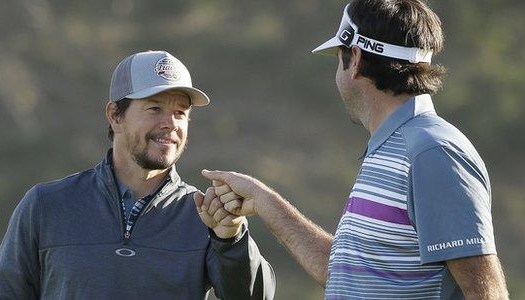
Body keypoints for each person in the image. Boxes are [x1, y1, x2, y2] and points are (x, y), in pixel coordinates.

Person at [199, 0, 509, 299]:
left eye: (339, 57)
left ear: (356, 59)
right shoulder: (395, 146)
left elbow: (486, 293)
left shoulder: (431, 152)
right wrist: (262, 200)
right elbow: (346, 273)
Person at [0, 50, 275, 300]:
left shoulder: (206, 216)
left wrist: (230, 239)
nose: (170, 124)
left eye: (180, 113)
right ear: (115, 115)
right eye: (154, 108)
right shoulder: (46, 205)